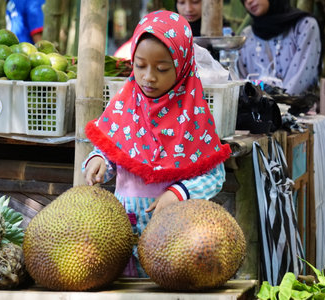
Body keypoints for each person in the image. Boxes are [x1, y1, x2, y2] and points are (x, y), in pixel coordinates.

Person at [83, 10, 231, 277]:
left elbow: (214, 175)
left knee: (168, 286)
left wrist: (179, 193)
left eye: (162, 68)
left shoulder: (194, 114)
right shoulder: (125, 103)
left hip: (176, 237)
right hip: (121, 231)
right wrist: (99, 160)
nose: (148, 77)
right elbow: (114, 148)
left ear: (183, 64)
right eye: (140, 65)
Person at [237, 0, 321, 95]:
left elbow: (301, 78)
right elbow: (242, 83)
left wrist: (275, 105)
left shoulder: (304, 26)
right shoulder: (246, 36)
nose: (249, 1)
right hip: (254, 109)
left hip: (297, 108)